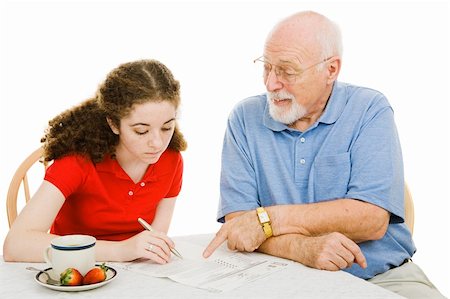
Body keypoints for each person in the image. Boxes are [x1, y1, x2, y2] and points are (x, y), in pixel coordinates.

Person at [203, 11, 446, 299]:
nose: (271, 83)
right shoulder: (244, 118)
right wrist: (302, 248)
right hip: (279, 278)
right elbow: (240, 226)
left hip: (381, 278)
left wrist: (269, 220)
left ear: (331, 70)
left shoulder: (370, 109)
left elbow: (371, 219)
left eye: (287, 71)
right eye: (266, 67)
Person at [3, 59, 187, 265]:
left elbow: (155, 240)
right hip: (74, 272)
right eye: (141, 130)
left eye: (167, 127)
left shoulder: (171, 160)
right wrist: (119, 251)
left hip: (135, 273)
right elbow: (16, 245)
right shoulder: (78, 162)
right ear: (113, 124)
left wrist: (138, 251)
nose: (157, 143)